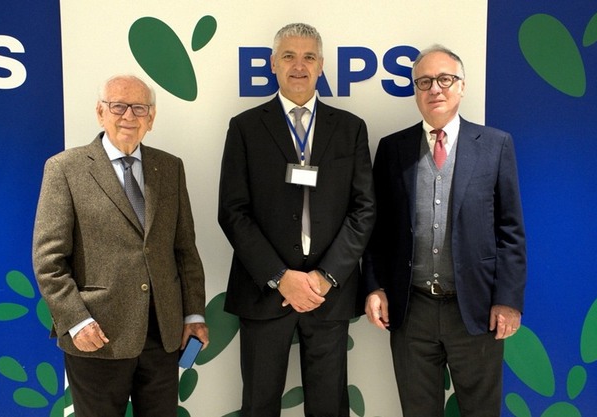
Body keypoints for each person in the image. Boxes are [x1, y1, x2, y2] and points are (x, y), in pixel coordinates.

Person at [218, 23, 375, 417]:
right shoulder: (245, 128)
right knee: (259, 406)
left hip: (328, 294)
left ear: (321, 65)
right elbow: (233, 211)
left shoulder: (350, 128)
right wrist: (280, 276)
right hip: (264, 292)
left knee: (329, 407)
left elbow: (364, 209)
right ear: (273, 64)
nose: (299, 66)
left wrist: (324, 277)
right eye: (289, 56)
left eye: (308, 57)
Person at [362, 44, 527, 417]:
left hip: (476, 310)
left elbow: (511, 230)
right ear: (415, 91)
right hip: (412, 310)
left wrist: (508, 299)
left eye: (444, 79)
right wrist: (374, 286)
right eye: (424, 82)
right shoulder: (392, 149)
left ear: (462, 86)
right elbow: (377, 230)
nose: (434, 88)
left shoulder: (495, 145)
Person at [32, 74, 209, 417]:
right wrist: (76, 321)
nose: (129, 115)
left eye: (139, 108)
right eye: (118, 106)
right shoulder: (65, 169)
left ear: (151, 118)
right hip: (97, 335)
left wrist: (193, 314)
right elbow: (48, 260)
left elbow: (185, 249)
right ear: (100, 113)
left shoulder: (170, 167)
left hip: (162, 335)